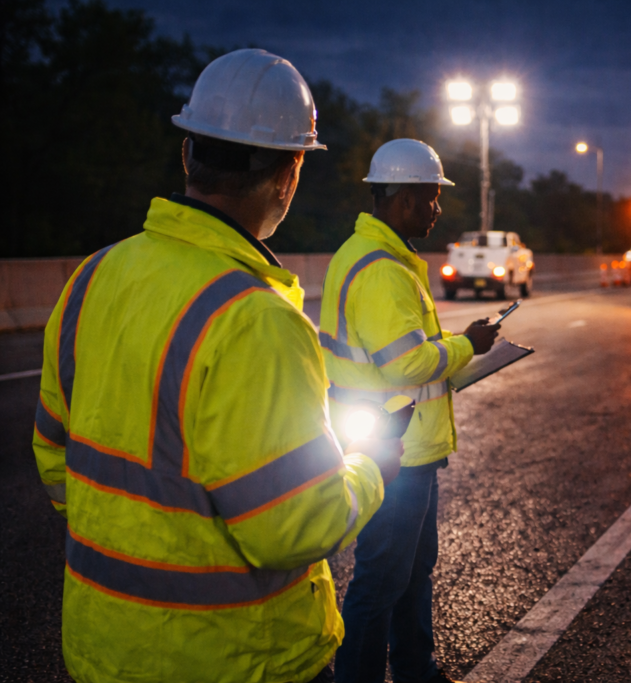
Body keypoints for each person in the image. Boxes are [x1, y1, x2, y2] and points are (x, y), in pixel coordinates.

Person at [31, 49, 401, 683]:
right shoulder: (256, 319)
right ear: (288, 175)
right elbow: (294, 527)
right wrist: (370, 467)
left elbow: (53, 456)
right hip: (235, 659)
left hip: (102, 648)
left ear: (188, 154)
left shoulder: (92, 277)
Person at [320, 139, 501, 683]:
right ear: (402, 200)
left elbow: (406, 346)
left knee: (413, 570)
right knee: (381, 579)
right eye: (431, 198)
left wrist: (453, 346)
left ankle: (415, 670)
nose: (436, 209)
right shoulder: (381, 269)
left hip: (405, 444)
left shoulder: (379, 256)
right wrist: (467, 346)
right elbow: (404, 364)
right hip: (392, 449)